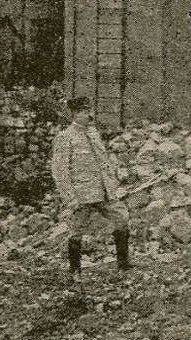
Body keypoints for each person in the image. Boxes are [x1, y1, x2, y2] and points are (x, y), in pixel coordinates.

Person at [50, 96, 131, 279]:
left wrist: (113, 184)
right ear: (75, 114)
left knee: (122, 219)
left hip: (103, 192)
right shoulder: (65, 137)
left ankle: (123, 266)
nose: (89, 115)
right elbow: (59, 171)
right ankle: (75, 271)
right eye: (85, 112)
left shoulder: (93, 134)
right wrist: (70, 198)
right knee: (76, 231)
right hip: (82, 195)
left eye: (89, 111)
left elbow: (104, 162)